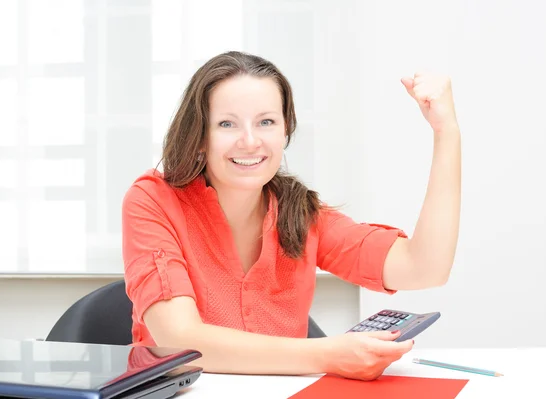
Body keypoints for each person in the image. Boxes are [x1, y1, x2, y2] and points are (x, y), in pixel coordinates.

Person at [121, 51, 461, 381]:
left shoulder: (301, 213)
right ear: (199, 138)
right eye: (227, 124)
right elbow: (181, 342)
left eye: (266, 122)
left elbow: (423, 268)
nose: (250, 141)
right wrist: (328, 355)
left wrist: (446, 133)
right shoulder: (153, 201)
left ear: (285, 132)